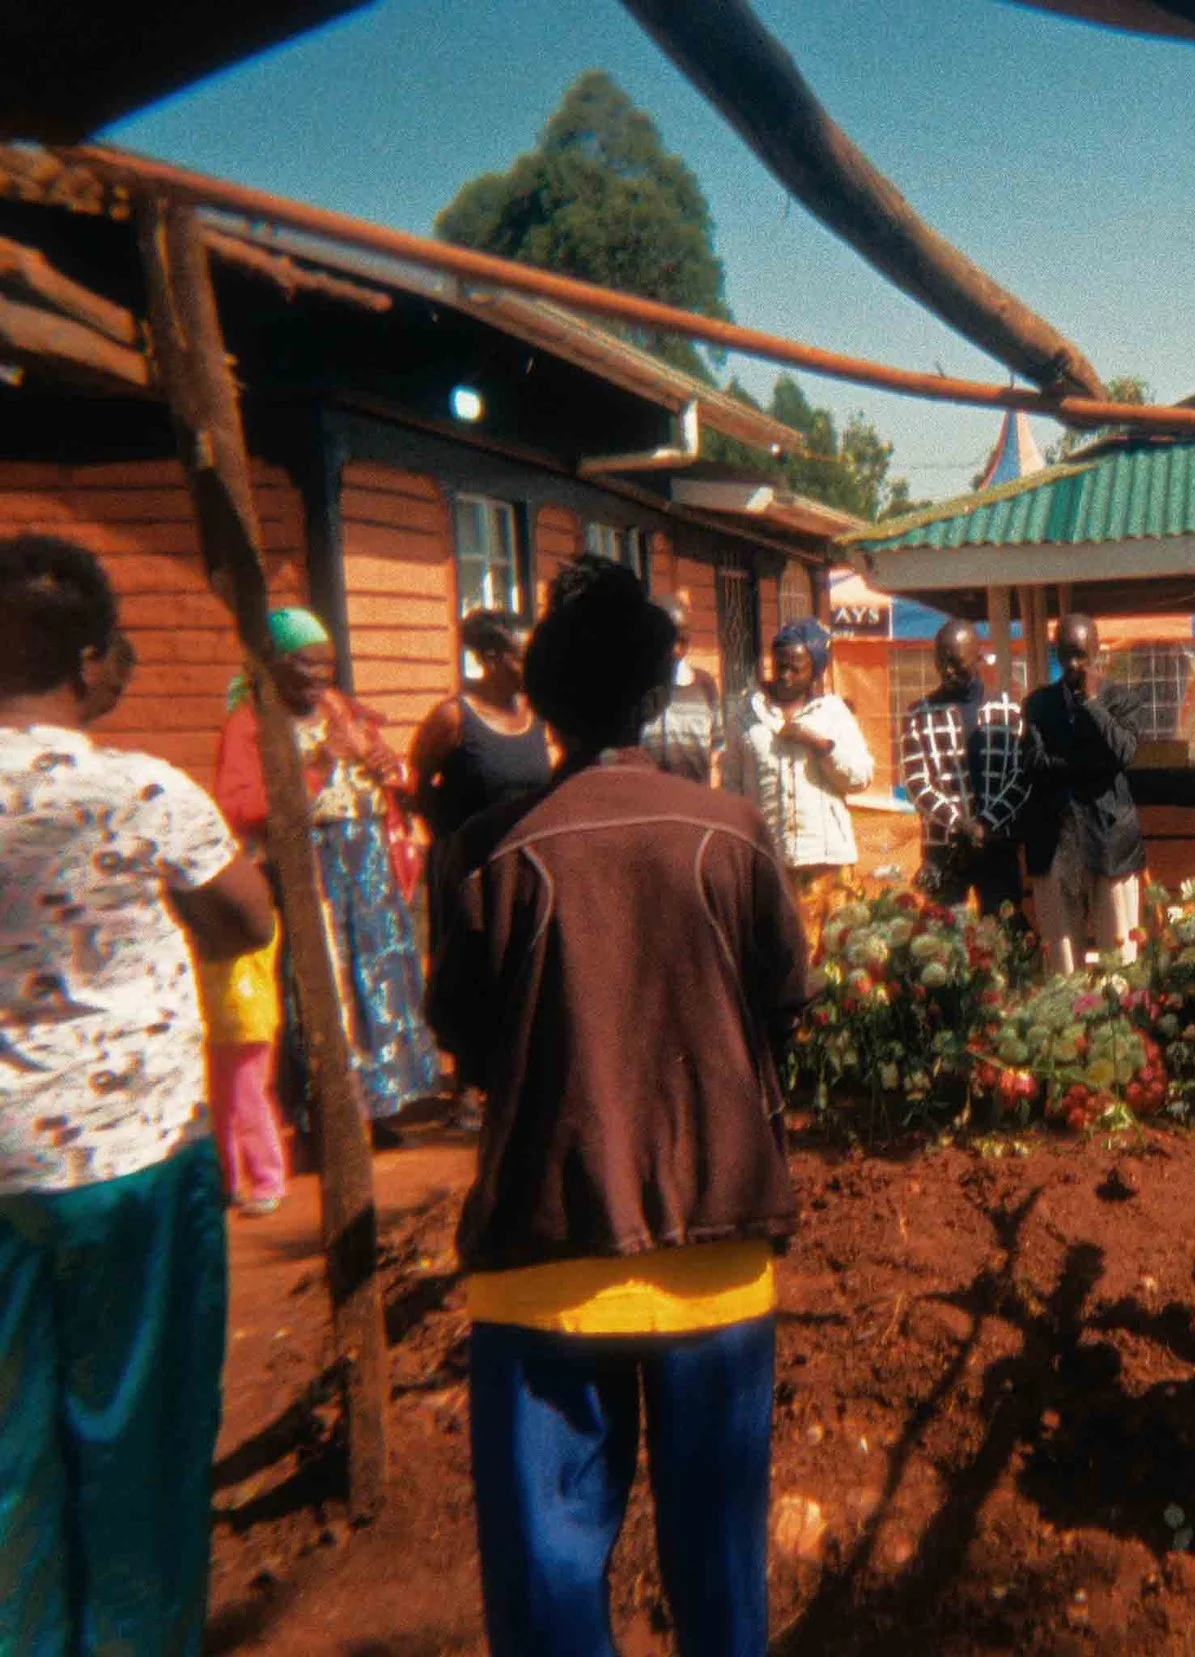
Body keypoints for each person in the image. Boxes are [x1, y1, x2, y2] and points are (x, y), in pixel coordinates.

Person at [427, 559, 809, 1657]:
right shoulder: (732, 833)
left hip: (545, 1259)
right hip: (714, 1254)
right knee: (723, 1584)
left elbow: (468, 1036)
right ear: (658, 694)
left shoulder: (482, 853)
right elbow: (783, 1007)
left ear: (539, 701)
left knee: (548, 1594)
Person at [2, 534, 277, 1654]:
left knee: (12, 1451)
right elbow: (249, 920)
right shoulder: (143, 792)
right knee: (139, 1433)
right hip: (133, 1166)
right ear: (90, 661)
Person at [214, 606, 441, 1134]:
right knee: (324, 988)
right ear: (272, 663)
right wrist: (316, 766)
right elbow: (240, 805)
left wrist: (388, 767)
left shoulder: (337, 707)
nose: (319, 677)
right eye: (305, 666)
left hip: (367, 870)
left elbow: (375, 771)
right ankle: (330, 1118)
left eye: (326, 666)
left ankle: (383, 1105)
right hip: (310, 874)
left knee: (379, 981)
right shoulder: (252, 723)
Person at [725, 617, 875, 961]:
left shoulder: (833, 713)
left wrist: (821, 745)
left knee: (831, 959)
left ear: (816, 671)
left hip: (825, 862)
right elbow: (732, 785)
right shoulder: (747, 715)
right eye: (780, 666)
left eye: (796, 668)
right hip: (769, 860)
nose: (785, 676)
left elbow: (860, 777)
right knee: (776, 957)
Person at [408, 608, 553, 933]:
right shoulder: (454, 717)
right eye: (523, 659)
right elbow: (419, 779)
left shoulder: (535, 715)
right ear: (491, 661)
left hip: (525, 868)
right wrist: (447, 841)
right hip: (471, 873)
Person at [1019, 613, 1147, 976]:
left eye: (1080, 654)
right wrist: (1090, 763)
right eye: (1064, 655)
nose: (1073, 665)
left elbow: (1123, 753)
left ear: (1097, 648)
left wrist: (1092, 703)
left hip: (1110, 842)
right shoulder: (1038, 705)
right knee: (1062, 966)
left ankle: (1121, 1028)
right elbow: (1033, 764)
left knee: (1118, 958)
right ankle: (1065, 1028)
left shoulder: (1120, 699)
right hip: (1056, 840)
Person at [901, 618, 1030, 916]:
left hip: (998, 844)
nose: (947, 671)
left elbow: (1020, 777)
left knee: (1004, 939)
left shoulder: (1007, 710)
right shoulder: (919, 715)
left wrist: (986, 823)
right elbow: (916, 783)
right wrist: (961, 823)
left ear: (976, 657)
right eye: (941, 661)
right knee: (942, 945)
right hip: (944, 846)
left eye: (956, 662)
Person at [642, 591, 725, 785]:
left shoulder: (704, 685)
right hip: (647, 803)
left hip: (694, 803)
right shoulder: (635, 688)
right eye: (667, 640)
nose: (675, 650)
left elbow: (718, 747)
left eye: (682, 640)